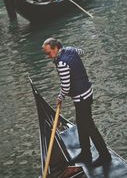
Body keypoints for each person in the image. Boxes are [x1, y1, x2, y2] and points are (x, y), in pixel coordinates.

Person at [42, 38, 111, 167]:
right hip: (87, 93)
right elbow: (82, 52)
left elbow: (66, 86)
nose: (47, 56)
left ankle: (105, 156)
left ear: (56, 48)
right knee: (81, 124)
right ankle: (86, 153)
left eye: (48, 53)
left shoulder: (62, 63)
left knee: (89, 127)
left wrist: (60, 97)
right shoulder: (70, 50)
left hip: (81, 98)